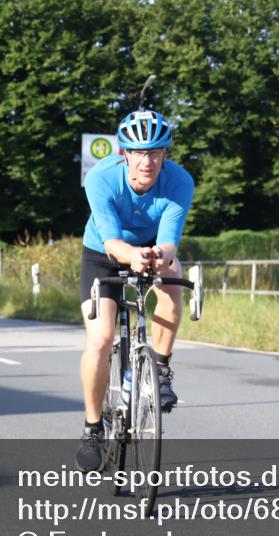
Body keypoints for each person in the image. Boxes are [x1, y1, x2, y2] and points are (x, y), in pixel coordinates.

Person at [75, 109, 194, 472]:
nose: (147, 161)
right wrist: (133, 256)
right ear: (124, 153)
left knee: (173, 284)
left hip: (150, 248)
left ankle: (159, 369)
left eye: (156, 152)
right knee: (101, 339)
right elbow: (111, 240)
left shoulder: (179, 182)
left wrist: (159, 256)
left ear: (165, 154)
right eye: (139, 152)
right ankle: (93, 427)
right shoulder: (101, 178)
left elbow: (170, 242)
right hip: (103, 253)